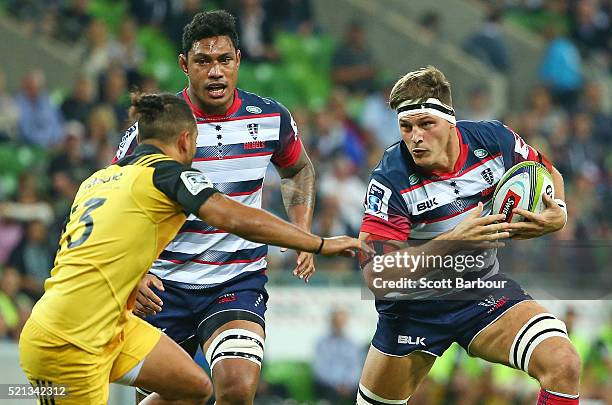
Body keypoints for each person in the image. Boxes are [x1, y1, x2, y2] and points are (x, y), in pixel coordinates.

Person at [19, 92, 365, 405]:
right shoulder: (166, 175)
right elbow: (234, 216)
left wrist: (136, 276)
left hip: (109, 324)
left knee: (193, 388)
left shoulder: (96, 180)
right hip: (69, 342)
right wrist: (318, 242)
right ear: (185, 141)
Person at [112, 11, 319, 405]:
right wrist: (133, 275)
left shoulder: (271, 117)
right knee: (168, 395)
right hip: (162, 286)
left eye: (224, 60)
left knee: (238, 386)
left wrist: (304, 233)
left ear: (238, 60)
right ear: (184, 65)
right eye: (203, 62)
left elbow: (299, 168)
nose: (216, 72)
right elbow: (117, 200)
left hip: (235, 280)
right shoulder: (159, 125)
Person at [357, 66, 581, 405]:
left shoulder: (493, 139)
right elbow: (377, 275)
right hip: (413, 308)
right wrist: (453, 242)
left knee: (563, 362)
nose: (415, 136)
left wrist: (558, 212)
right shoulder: (390, 179)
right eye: (406, 126)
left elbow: (548, 173)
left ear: (450, 120)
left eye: (425, 124)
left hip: (480, 290)